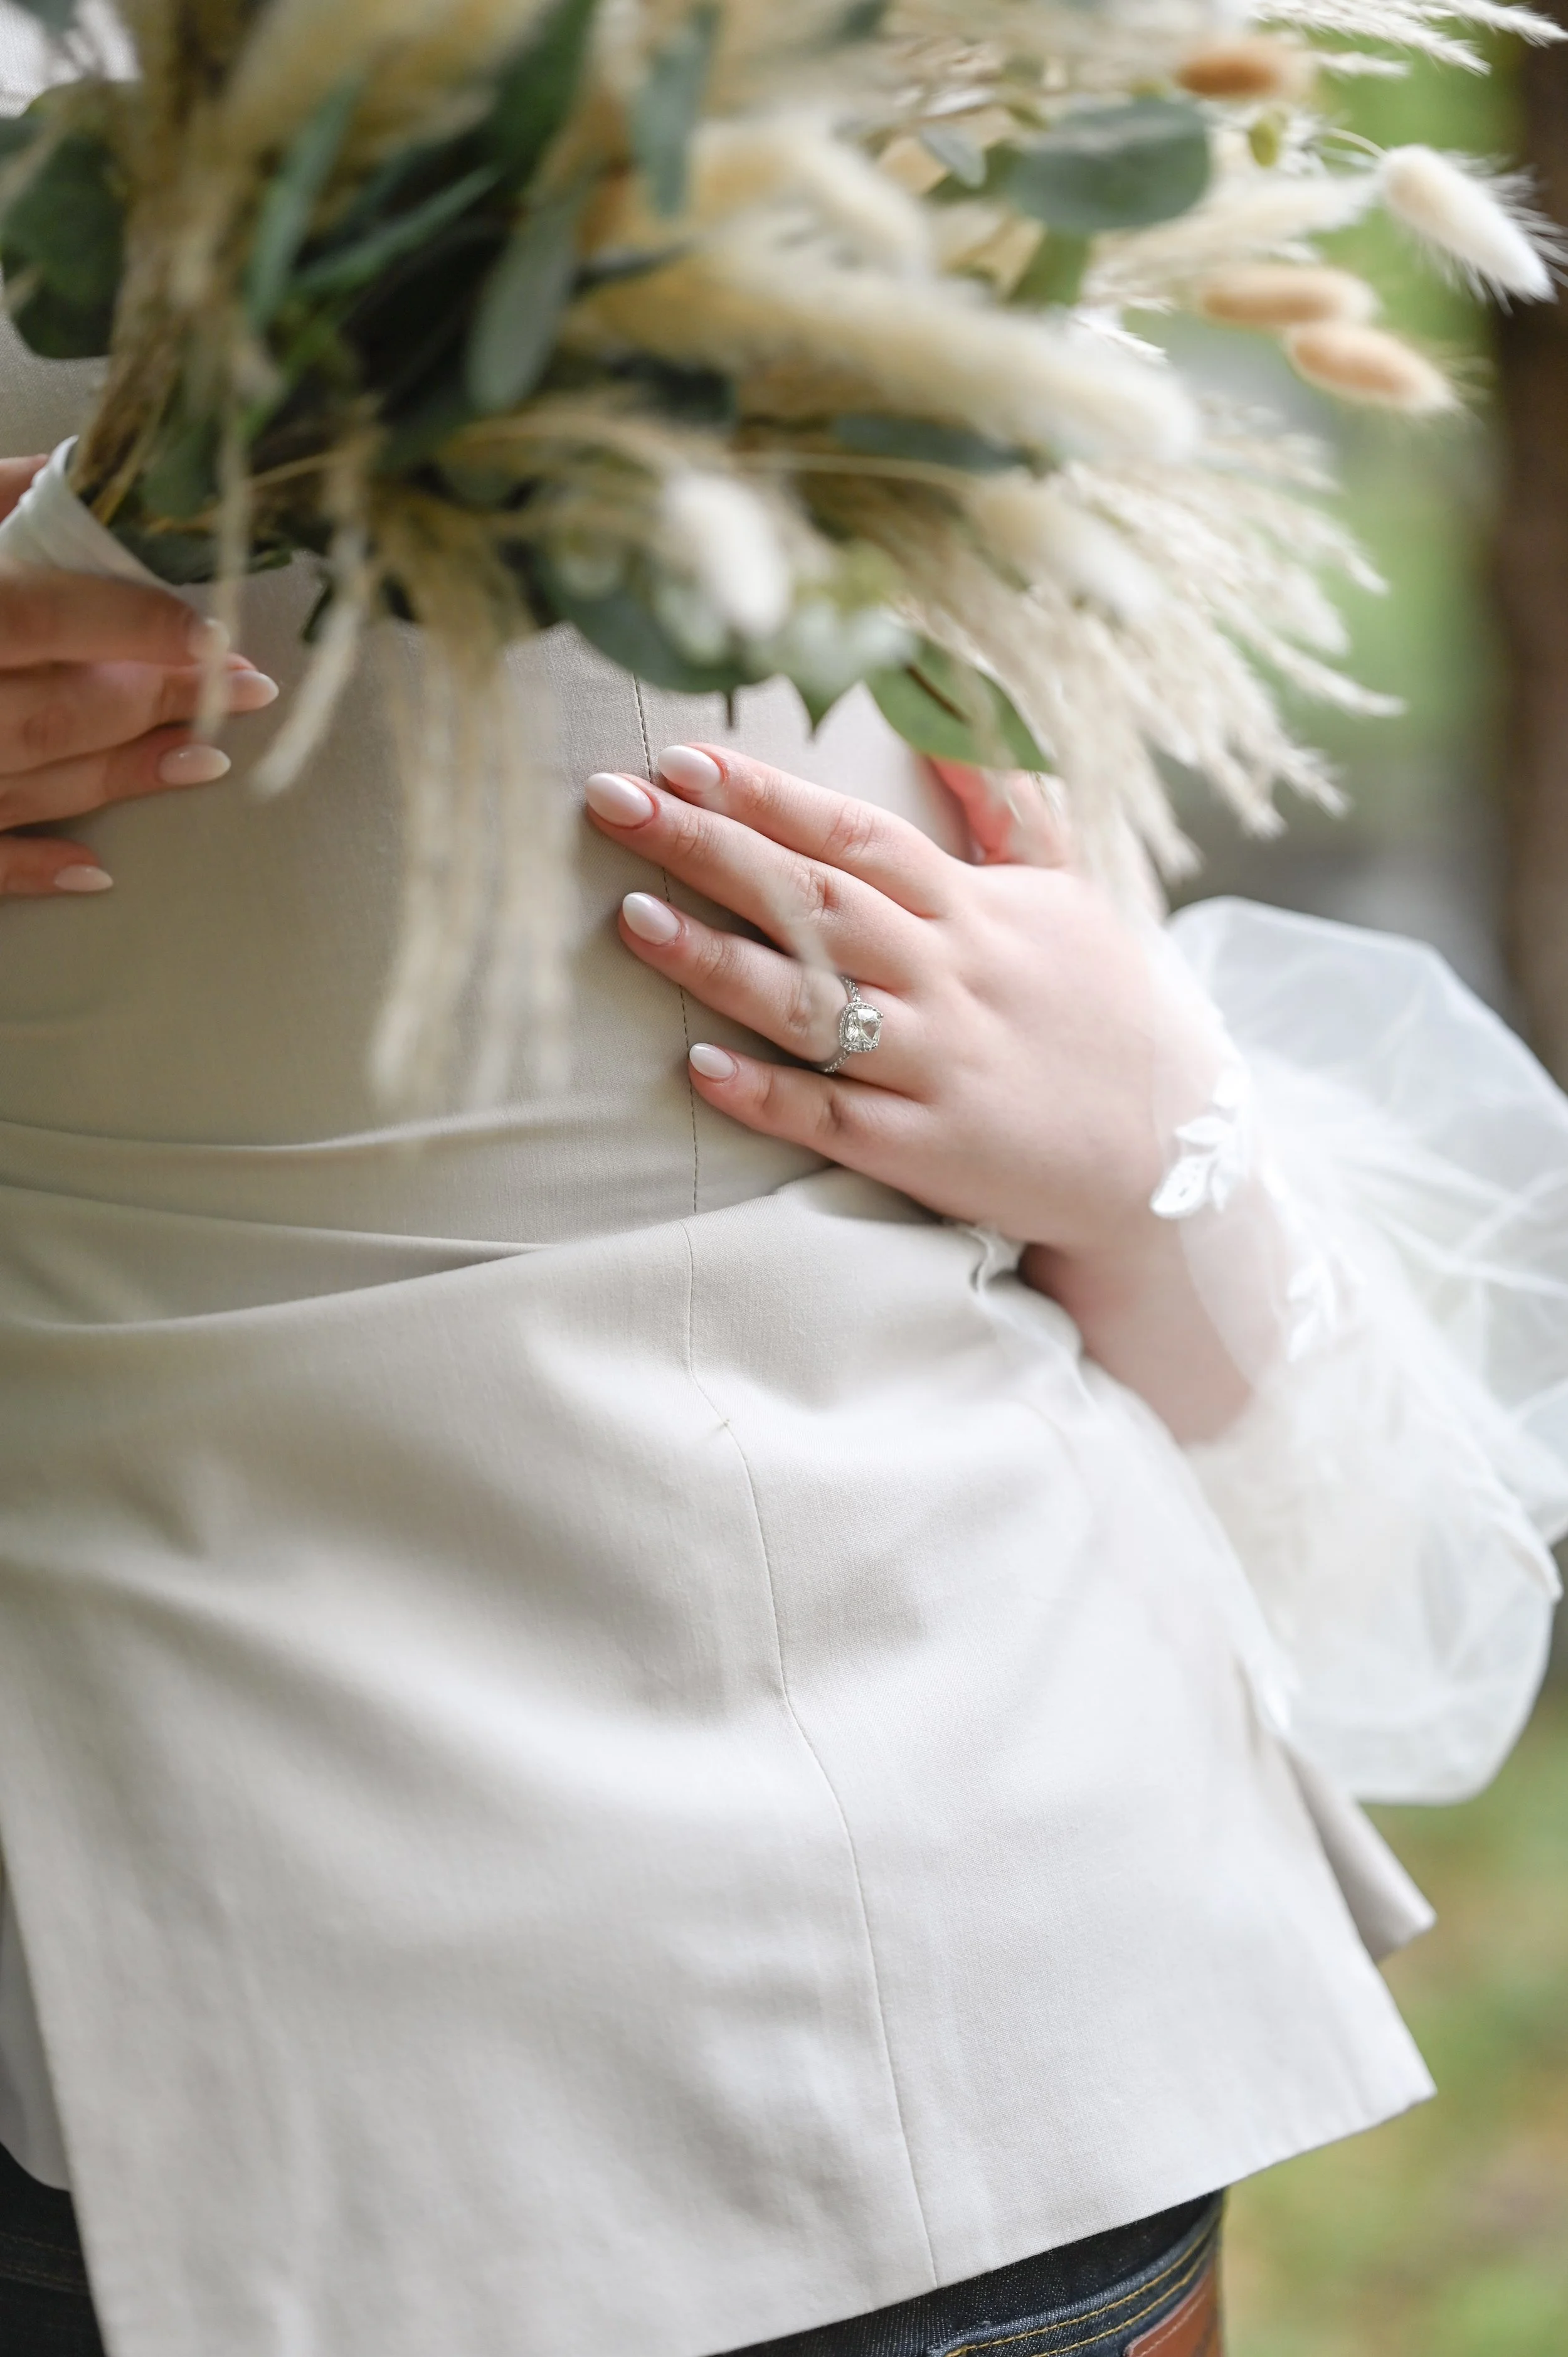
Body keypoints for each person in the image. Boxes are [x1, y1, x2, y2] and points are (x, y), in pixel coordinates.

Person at [2, 177, 1567, 2357]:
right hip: (181, 1931)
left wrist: (1140, 1128)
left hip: (933, 1959)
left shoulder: (867, 162)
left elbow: (1137, 1263)